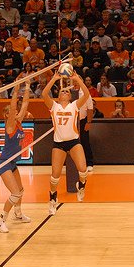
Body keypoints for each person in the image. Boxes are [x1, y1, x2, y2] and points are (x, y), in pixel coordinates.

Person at [42, 72, 91, 215]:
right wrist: (54, 79)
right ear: (58, 96)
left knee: (83, 169)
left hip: (74, 142)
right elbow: (44, 94)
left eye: (67, 91)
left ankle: (81, 186)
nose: (64, 92)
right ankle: (52, 199)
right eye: (62, 90)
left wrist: (77, 79)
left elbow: (86, 94)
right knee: (55, 175)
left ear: (70, 96)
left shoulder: (74, 105)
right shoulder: (54, 107)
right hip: (59, 144)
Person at [0, 81, 32, 233]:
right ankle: (1, 219)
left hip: (12, 163)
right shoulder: (10, 125)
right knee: (15, 193)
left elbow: (25, 104)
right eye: (13, 111)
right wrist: (16, 90)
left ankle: (18, 214)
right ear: (7, 115)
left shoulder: (18, 123)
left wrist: (28, 86)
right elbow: (13, 107)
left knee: (21, 190)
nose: (17, 111)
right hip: (4, 163)